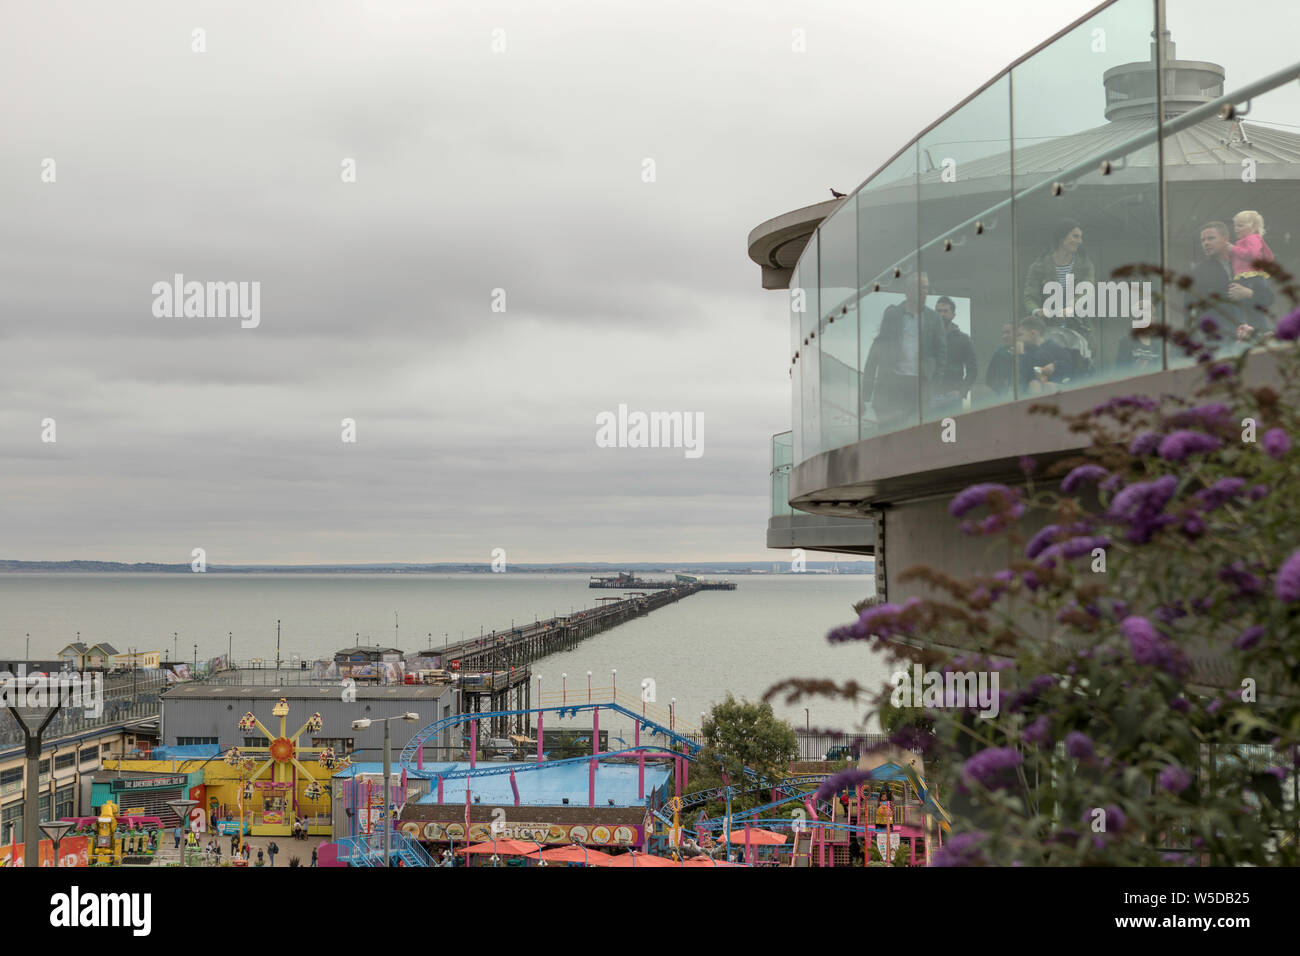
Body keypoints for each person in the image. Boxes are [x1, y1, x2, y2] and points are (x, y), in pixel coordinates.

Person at [862, 271, 947, 430]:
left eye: (927, 288)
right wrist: (864, 395)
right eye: (921, 288)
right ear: (908, 290)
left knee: (918, 438)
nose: (925, 292)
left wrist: (935, 384)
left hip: (919, 387)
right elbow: (876, 353)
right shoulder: (892, 314)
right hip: (892, 386)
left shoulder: (933, 318)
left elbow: (941, 354)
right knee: (890, 436)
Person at [1022, 219, 1098, 369]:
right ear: (1061, 238)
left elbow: (1087, 289)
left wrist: (1071, 308)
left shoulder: (1085, 265)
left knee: (1081, 368)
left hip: (1078, 327)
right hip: (1048, 329)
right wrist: (1037, 310)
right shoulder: (1039, 266)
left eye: (1080, 237)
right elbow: (1029, 296)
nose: (1079, 241)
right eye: (1075, 236)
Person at [1188, 220, 1274, 342]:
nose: (1206, 243)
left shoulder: (1248, 265)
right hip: (1223, 341)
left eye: (1211, 238)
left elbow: (1269, 298)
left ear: (1225, 238)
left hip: (1257, 337)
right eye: (1203, 240)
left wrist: (1249, 293)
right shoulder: (1198, 272)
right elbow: (1190, 309)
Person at [935, 295, 978, 411]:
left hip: (952, 396)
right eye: (938, 311)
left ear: (953, 315)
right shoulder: (928, 337)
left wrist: (961, 391)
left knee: (952, 429)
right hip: (930, 397)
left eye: (945, 311)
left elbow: (973, 369)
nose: (942, 314)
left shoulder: (963, 339)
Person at [1017, 316, 1073, 392]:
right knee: (1034, 384)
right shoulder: (1025, 352)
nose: (1017, 339)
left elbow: (1069, 364)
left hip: (1055, 384)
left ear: (1033, 333)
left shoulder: (1052, 347)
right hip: (1033, 388)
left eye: (1020, 335)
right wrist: (1021, 355)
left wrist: (1055, 366)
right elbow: (1023, 377)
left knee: (1049, 386)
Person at [985, 322, 1016, 398]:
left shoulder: (1025, 352)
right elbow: (989, 379)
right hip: (1003, 397)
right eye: (1003, 333)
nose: (1004, 336)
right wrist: (1000, 390)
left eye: (1008, 332)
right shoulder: (999, 354)